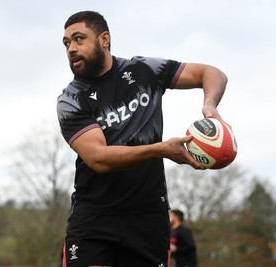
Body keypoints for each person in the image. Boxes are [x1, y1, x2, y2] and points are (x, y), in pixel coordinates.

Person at [57, 10, 228, 267]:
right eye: (67, 43)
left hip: (148, 215)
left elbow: (212, 73)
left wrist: (210, 106)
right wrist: (161, 149)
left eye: (79, 39)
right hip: (94, 216)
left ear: (105, 39)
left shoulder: (144, 70)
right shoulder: (71, 100)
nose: (71, 48)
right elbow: (99, 159)